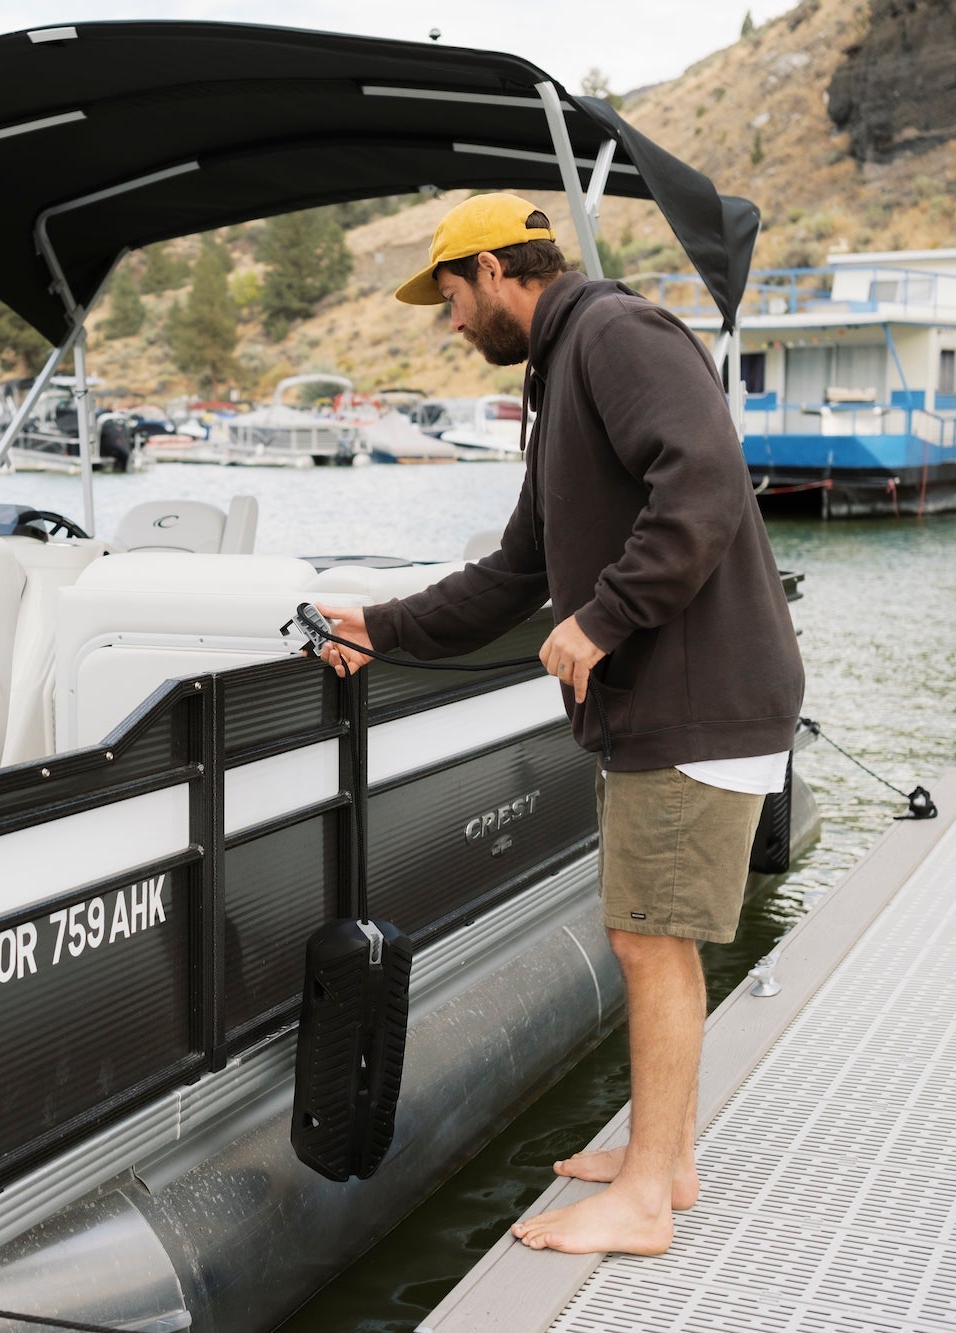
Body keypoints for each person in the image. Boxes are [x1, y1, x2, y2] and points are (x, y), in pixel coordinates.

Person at [315, 193, 804, 1257]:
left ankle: (642, 1201)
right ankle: (660, 1158)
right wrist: (381, 628)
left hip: (694, 700)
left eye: (448, 296)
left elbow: (706, 480)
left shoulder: (614, 334)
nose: (448, 324)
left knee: (647, 938)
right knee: (648, 932)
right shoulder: (559, 367)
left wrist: (602, 617)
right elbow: (513, 572)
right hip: (672, 700)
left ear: (495, 270)